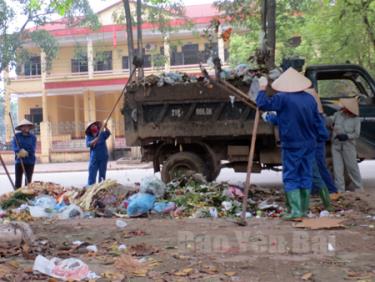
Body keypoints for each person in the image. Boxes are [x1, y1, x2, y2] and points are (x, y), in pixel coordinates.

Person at [256, 68, 328, 220]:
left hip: (292, 144)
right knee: (306, 175)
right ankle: (303, 210)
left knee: (291, 176)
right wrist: (322, 137)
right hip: (309, 144)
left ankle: (295, 211)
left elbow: (262, 104)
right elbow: (317, 121)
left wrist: (262, 88)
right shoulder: (310, 99)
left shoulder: (282, 98)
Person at [329, 98, 363, 192]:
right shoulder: (338, 115)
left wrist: (347, 136)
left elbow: (357, 134)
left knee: (352, 168)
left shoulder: (356, 120)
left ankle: (359, 188)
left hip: (348, 146)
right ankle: (340, 190)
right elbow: (330, 121)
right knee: (337, 169)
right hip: (336, 146)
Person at [12, 119, 36, 188]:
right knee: (18, 182)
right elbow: (14, 147)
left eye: (27, 126)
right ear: (21, 128)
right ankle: (17, 196)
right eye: (24, 126)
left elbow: (32, 149)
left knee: (28, 182)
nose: (26, 128)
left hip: (30, 161)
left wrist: (24, 152)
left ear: (29, 127)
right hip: (19, 161)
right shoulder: (16, 136)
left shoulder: (33, 137)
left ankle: (27, 197)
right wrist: (19, 151)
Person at [85, 121, 111, 186]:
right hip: (94, 158)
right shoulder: (89, 136)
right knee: (92, 173)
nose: (94, 127)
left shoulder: (101, 133)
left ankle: (101, 187)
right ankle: (90, 187)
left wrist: (105, 127)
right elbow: (88, 144)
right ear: (90, 129)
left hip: (103, 156)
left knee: (102, 174)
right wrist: (94, 141)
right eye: (92, 126)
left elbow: (108, 133)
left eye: (95, 125)